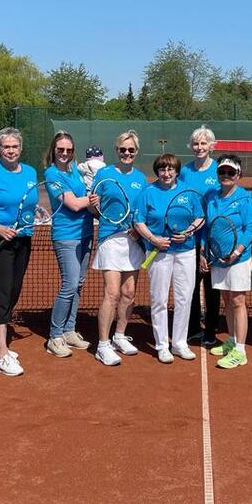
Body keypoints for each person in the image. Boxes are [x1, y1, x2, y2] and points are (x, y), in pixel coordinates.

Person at [0, 127, 37, 377]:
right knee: (1, 291)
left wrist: (37, 212)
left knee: (13, 289)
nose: (10, 151)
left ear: (20, 148)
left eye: (14, 146)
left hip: (23, 238)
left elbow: (28, 202)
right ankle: (2, 354)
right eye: (6, 146)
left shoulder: (31, 172)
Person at [134, 153, 203, 363]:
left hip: (186, 252)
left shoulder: (188, 192)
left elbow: (200, 217)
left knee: (184, 298)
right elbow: (139, 221)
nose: (166, 173)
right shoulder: (148, 192)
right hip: (159, 253)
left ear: (176, 171)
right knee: (159, 300)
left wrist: (189, 232)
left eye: (170, 169)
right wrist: (153, 239)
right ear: (157, 171)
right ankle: (162, 346)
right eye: (162, 169)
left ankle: (179, 343)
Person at [89, 131, 148, 366]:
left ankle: (120, 336)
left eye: (131, 150)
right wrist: (94, 205)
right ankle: (103, 345)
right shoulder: (104, 174)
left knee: (129, 292)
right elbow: (93, 209)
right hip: (110, 238)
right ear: (116, 150)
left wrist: (138, 230)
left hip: (133, 240)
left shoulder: (141, 178)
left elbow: (143, 210)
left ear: (136, 151)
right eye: (123, 149)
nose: (127, 153)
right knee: (112, 293)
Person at [200, 155, 252, 369]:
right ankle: (232, 340)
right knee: (227, 300)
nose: (226, 175)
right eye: (222, 172)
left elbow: (251, 227)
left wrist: (238, 250)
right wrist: (204, 250)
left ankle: (240, 351)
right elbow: (206, 227)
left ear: (238, 175)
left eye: (230, 172)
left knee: (237, 301)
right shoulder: (211, 196)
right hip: (217, 257)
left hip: (238, 259)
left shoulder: (244, 198)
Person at [43, 131, 95, 358]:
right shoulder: (51, 173)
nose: (64, 153)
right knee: (70, 284)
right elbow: (73, 204)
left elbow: (84, 199)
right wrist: (93, 199)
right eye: (60, 149)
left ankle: (69, 330)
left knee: (79, 284)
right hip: (66, 236)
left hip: (86, 233)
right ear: (53, 150)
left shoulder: (74, 170)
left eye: (69, 150)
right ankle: (55, 336)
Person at [181, 125, 221, 345]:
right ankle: (193, 327)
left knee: (212, 286)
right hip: (189, 239)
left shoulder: (219, 170)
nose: (199, 147)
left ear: (211, 146)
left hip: (213, 239)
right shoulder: (184, 171)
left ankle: (211, 329)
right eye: (196, 143)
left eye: (204, 143)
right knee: (191, 285)